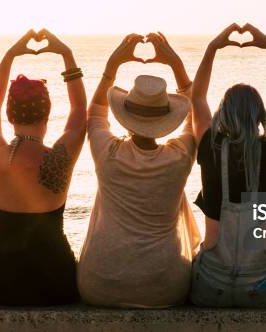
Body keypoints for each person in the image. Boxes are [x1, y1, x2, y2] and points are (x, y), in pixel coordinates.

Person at [77, 33, 200, 308]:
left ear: (126, 118)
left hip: (99, 283)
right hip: (165, 287)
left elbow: (95, 112)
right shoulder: (179, 157)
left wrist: (113, 66)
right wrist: (176, 65)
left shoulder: (108, 154)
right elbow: (199, 118)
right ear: (166, 119)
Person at [189, 23, 266, 308]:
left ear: (223, 111)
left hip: (212, 283)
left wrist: (213, 47)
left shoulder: (210, 144)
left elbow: (196, 98)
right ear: (260, 112)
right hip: (261, 285)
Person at [0, 29, 86, 306]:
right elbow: (78, 110)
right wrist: (66, 53)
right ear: (47, 111)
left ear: (9, 113)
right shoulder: (61, 156)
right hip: (56, 282)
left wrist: (10, 55)